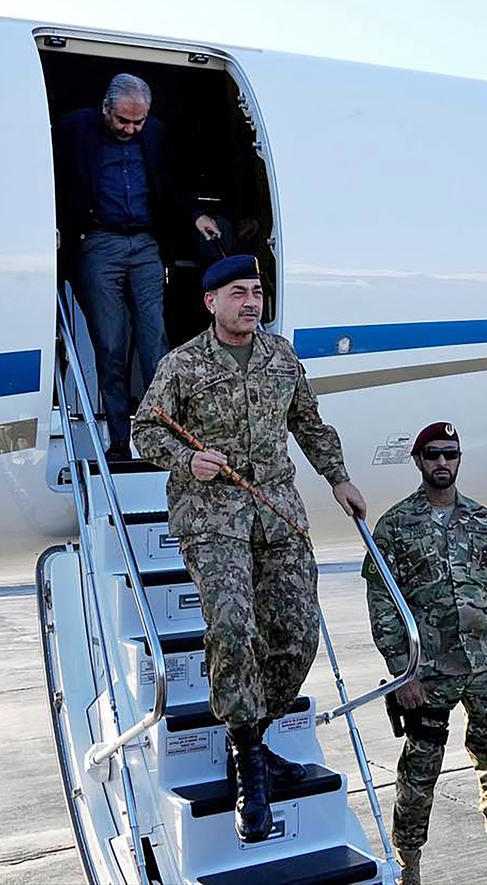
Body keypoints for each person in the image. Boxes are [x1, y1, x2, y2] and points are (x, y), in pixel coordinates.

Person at [133, 254, 366, 843]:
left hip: (278, 511)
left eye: (257, 292)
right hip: (211, 517)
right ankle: (248, 764)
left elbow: (309, 423)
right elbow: (145, 429)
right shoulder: (183, 364)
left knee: (296, 634)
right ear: (211, 302)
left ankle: (250, 738)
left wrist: (337, 476)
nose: (251, 302)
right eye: (238, 292)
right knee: (234, 630)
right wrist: (189, 459)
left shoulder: (281, 356)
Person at [364, 422, 487, 885]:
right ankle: (408, 868)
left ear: (459, 460)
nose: (443, 462)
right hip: (429, 675)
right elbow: (382, 604)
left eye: (451, 454)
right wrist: (403, 673)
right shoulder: (395, 526)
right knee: (418, 776)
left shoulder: (483, 520)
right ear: (418, 461)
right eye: (434, 454)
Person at [56, 72, 222, 459]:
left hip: (146, 243)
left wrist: (195, 215)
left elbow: (171, 185)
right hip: (98, 241)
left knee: (155, 342)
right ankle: (118, 440)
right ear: (105, 109)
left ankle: (160, 438)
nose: (130, 128)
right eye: (122, 121)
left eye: (138, 121)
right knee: (111, 345)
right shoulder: (75, 129)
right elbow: (58, 180)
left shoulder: (157, 134)